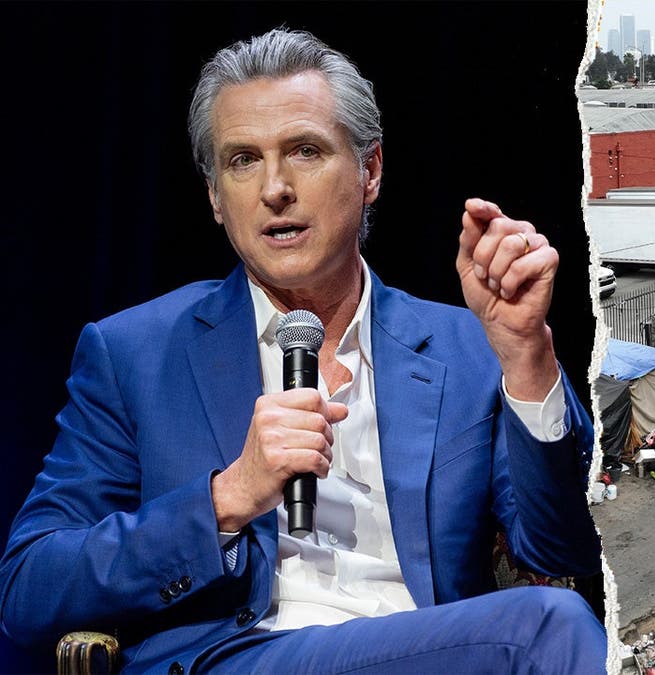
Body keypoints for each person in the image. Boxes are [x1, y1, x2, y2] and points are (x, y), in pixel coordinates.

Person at [0, 29, 605, 674]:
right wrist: (228, 497)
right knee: (546, 632)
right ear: (213, 197)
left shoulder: (467, 346)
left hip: (430, 652)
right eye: (241, 161)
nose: (274, 188)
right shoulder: (134, 353)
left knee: (553, 623)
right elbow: (30, 586)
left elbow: (560, 551)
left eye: (305, 151)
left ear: (370, 170)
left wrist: (526, 356)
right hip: (238, 657)